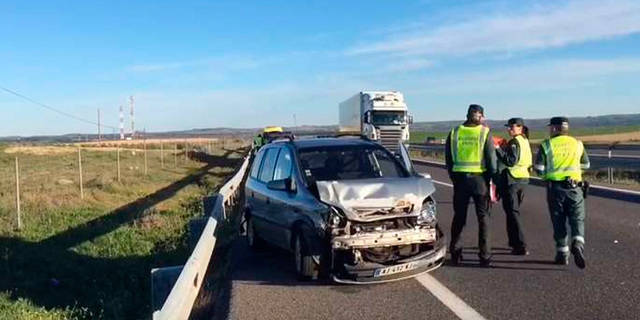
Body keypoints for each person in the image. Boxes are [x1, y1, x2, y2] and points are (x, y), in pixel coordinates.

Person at [534, 117, 590, 269]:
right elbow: (586, 164)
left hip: (555, 189)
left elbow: (539, 170)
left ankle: (562, 255)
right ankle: (578, 243)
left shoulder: (546, 145)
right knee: (577, 219)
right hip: (575, 188)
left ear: (554, 128)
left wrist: (548, 176)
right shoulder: (577, 144)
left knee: (559, 221)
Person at [445, 104, 497, 266]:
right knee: (484, 218)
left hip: (460, 180)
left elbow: (448, 159)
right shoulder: (484, 132)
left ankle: (455, 252)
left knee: (459, 217)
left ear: (467, 115)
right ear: (480, 116)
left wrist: (454, 178)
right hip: (479, 180)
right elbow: (491, 160)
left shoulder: (454, 132)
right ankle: (485, 255)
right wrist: (491, 179)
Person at [495, 118, 532, 256]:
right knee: (512, 213)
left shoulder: (515, 142)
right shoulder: (524, 140)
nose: (509, 129)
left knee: (513, 214)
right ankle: (514, 243)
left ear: (520, 128)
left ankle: (521, 245)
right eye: (508, 127)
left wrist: (498, 149)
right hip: (523, 179)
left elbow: (511, 161)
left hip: (513, 180)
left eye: (512, 127)